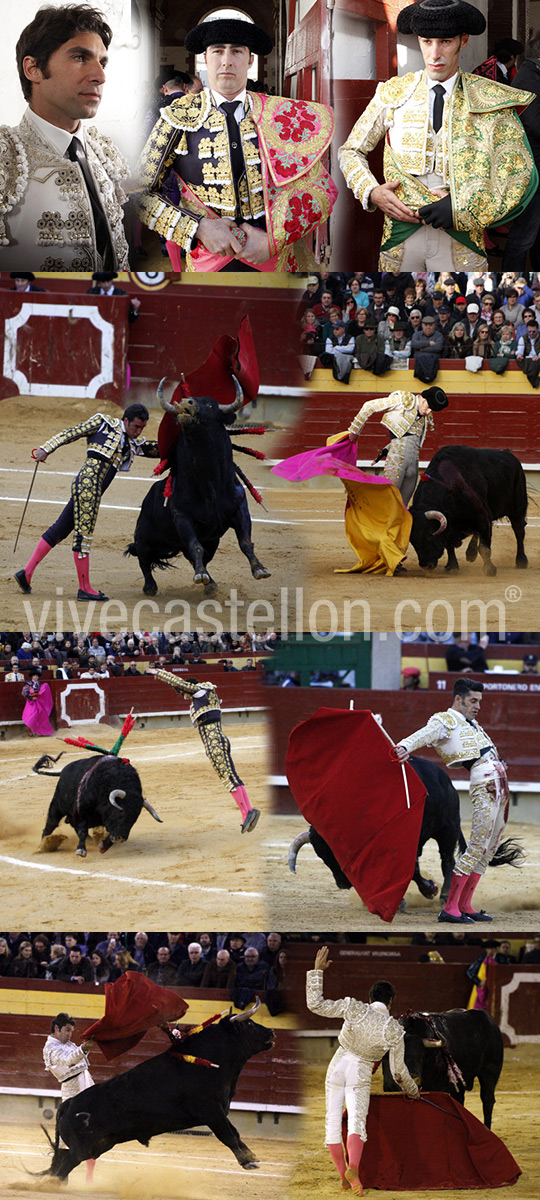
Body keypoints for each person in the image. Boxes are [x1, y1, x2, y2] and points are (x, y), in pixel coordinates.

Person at [338, 0, 537, 270]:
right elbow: (351, 151)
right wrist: (371, 191)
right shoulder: (393, 93)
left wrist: (464, 207)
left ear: (462, 41)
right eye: (426, 41)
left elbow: (517, 172)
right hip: (400, 238)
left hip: (460, 241)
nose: (434, 54)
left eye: (445, 42)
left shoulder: (490, 98)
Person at [135, 16, 337, 272]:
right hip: (208, 261)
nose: (227, 61)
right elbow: (137, 193)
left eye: (237, 51)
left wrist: (275, 240)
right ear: (205, 59)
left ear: (251, 60)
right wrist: (197, 226)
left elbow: (323, 189)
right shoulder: (177, 118)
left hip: (275, 259)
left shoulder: (280, 115)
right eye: (217, 51)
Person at [0, 4, 129, 271]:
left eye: (102, 62)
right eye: (80, 57)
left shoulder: (103, 151)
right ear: (33, 68)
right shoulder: (5, 156)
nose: (100, 76)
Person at [15, 403, 160, 601]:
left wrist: (180, 443)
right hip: (88, 487)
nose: (138, 431)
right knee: (83, 536)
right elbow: (73, 432)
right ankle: (84, 588)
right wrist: (46, 448)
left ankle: (26, 574)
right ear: (125, 420)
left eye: (142, 428)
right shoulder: (103, 423)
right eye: (136, 426)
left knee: (60, 529)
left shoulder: (131, 442)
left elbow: (153, 449)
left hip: (89, 489)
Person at [306, 947, 419, 1194]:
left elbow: (315, 1004)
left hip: (337, 1066)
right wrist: (413, 1091)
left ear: (370, 998)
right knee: (357, 1122)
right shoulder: (393, 1029)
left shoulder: (354, 1007)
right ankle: (354, 1168)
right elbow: (398, 1072)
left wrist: (317, 972)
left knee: (332, 1121)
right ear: (390, 1002)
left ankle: (343, 1177)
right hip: (360, 1073)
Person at [395, 677, 509, 922]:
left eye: (480, 701)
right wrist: (405, 746)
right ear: (458, 699)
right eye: (473, 701)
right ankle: (450, 909)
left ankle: (465, 905)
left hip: (500, 782)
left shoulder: (473, 724)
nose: (478, 706)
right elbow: (424, 734)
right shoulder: (445, 720)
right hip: (485, 782)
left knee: (488, 850)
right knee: (476, 847)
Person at [147, 667, 260, 832]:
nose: (186, 697)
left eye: (186, 694)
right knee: (233, 776)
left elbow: (179, 683)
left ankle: (246, 814)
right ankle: (249, 810)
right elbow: (180, 688)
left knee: (228, 779)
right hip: (221, 739)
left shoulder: (199, 691)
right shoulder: (208, 694)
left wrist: (159, 673)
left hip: (213, 743)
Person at [348, 386, 448, 505]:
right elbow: (369, 406)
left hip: (413, 466)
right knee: (388, 503)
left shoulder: (425, 415)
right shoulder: (401, 401)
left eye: (432, 410)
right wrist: (355, 430)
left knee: (402, 507)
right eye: (428, 407)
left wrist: (385, 450)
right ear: (423, 398)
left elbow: (405, 437)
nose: (428, 412)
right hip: (396, 463)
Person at [43, 1013, 95, 1182]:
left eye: (71, 1031)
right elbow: (68, 1061)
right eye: (66, 1030)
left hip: (86, 1084)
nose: (69, 1034)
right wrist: (84, 1048)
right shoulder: (51, 1048)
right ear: (56, 1028)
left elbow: (79, 1062)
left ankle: (89, 1175)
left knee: (93, 1130)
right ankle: (59, 1174)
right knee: (72, 1135)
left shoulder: (67, 1043)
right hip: (73, 1091)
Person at [503, 33, 540, 270]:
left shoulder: (531, 74)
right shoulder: (528, 78)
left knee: (535, 234)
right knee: (524, 235)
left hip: (535, 165)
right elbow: (535, 123)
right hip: (533, 169)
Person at [21, 670, 55, 736]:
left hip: (38, 702)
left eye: (36, 676)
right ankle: (30, 731)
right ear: (32, 677)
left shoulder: (39, 684)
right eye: (34, 676)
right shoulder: (28, 684)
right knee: (31, 717)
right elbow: (24, 693)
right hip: (30, 703)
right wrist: (31, 698)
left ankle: (39, 732)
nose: (35, 677)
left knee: (39, 716)